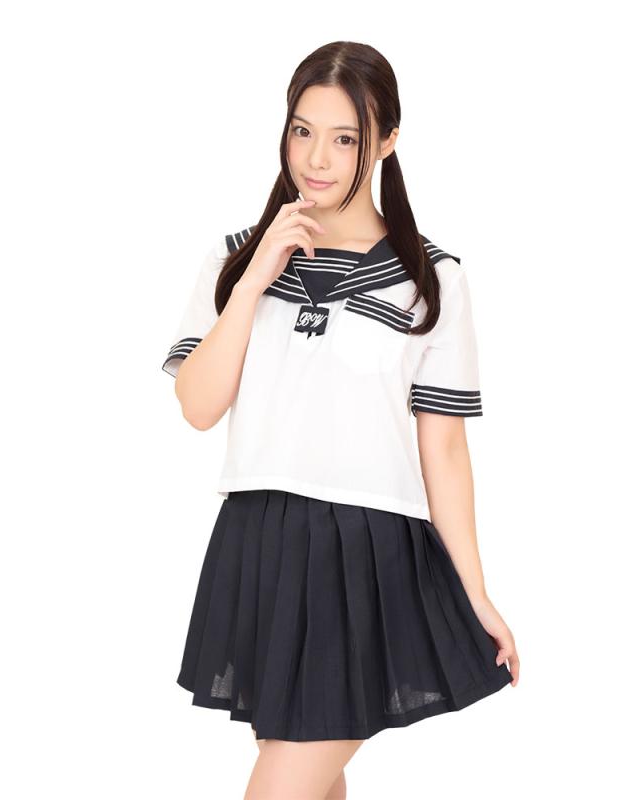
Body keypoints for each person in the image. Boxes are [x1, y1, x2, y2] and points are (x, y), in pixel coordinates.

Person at [161, 40, 520, 800]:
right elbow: (198, 406)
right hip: (259, 541)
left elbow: (444, 452)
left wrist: (476, 592)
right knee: (313, 785)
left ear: (386, 141)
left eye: (345, 138)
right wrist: (255, 280)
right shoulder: (235, 259)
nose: (317, 158)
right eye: (302, 131)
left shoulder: (431, 279)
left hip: (366, 556)